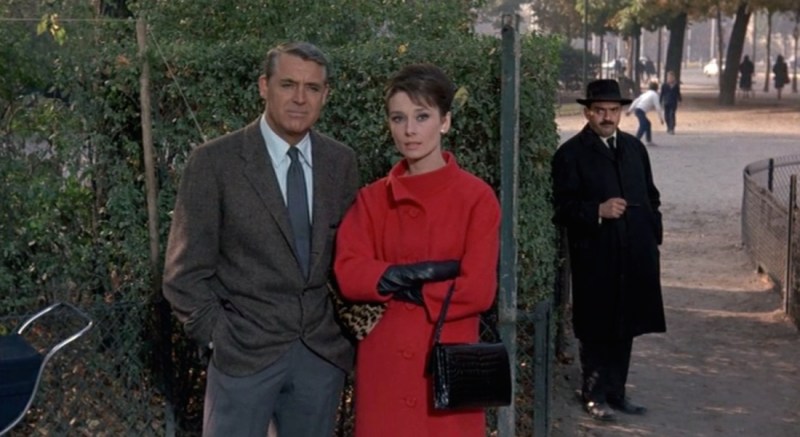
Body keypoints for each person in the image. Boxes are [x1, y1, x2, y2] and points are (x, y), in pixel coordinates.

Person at [162, 41, 360, 437]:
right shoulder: (214, 162)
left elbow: (349, 260)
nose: (300, 98)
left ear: (326, 95)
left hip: (319, 358)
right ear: (264, 86)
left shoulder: (341, 162)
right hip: (242, 356)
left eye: (312, 88)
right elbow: (183, 274)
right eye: (288, 84)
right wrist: (220, 337)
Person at [333, 63, 500, 436]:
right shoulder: (371, 199)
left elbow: (478, 290)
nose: (409, 130)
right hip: (385, 365)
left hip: (448, 364)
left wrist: (394, 282)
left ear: (445, 122)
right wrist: (430, 276)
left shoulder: (477, 198)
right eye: (399, 118)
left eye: (422, 116)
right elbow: (349, 273)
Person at [551, 79, 666, 422]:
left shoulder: (634, 149)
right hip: (595, 254)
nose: (607, 117)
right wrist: (596, 210)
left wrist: (652, 232)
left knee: (626, 323)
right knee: (596, 324)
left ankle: (617, 392)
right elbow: (560, 207)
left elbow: (651, 195)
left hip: (635, 252)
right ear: (587, 113)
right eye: (600, 110)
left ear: (621, 112)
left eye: (613, 110)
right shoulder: (570, 154)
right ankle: (594, 394)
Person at [626, 81, 664, 146]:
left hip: (638, 109)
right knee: (643, 125)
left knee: (648, 124)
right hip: (640, 111)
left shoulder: (646, 93)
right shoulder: (655, 95)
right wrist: (661, 118)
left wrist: (630, 110)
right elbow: (658, 107)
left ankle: (648, 141)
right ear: (657, 88)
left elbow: (636, 101)